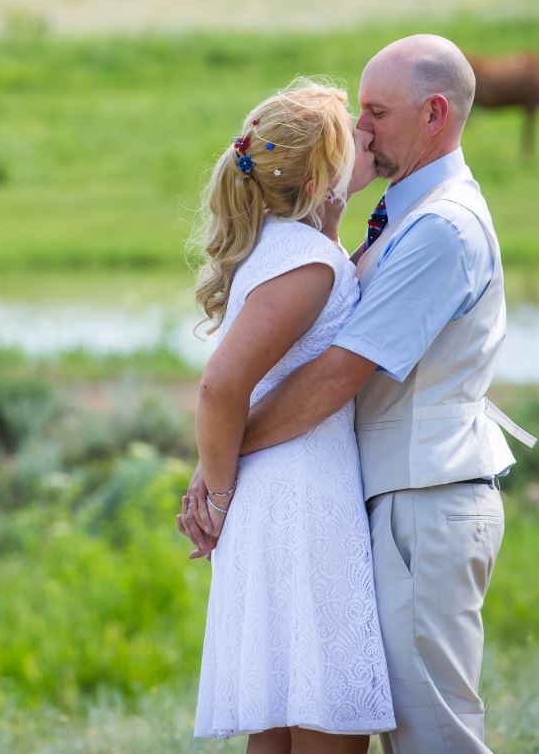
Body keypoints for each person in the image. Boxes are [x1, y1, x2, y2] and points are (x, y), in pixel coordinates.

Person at [182, 35, 537, 753]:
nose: (362, 130)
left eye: (376, 112)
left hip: (423, 496)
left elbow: (338, 375)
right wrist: (217, 467)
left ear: (434, 114)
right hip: (370, 495)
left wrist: (222, 466)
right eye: (359, 115)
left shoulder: (440, 227)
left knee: (430, 735)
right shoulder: (384, 223)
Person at [182, 79, 396, 753]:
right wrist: (218, 492)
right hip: (302, 506)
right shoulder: (308, 263)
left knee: (279, 729)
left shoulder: (287, 249)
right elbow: (221, 386)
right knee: (327, 722)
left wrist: (218, 474)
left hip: (279, 494)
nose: (367, 134)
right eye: (353, 134)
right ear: (320, 182)